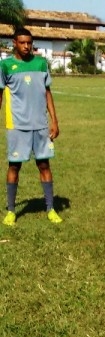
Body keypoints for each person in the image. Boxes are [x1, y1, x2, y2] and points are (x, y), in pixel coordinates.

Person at [0, 27, 62, 226]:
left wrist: (55, 121)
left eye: (29, 43)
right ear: (14, 44)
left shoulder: (41, 63)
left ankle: (50, 208)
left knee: (44, 165)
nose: (27, 46)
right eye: (22, 43)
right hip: (17, 125)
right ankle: (11, 211)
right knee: (14, 166)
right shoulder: (6, 66)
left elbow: (47, 92)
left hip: (41, 125)